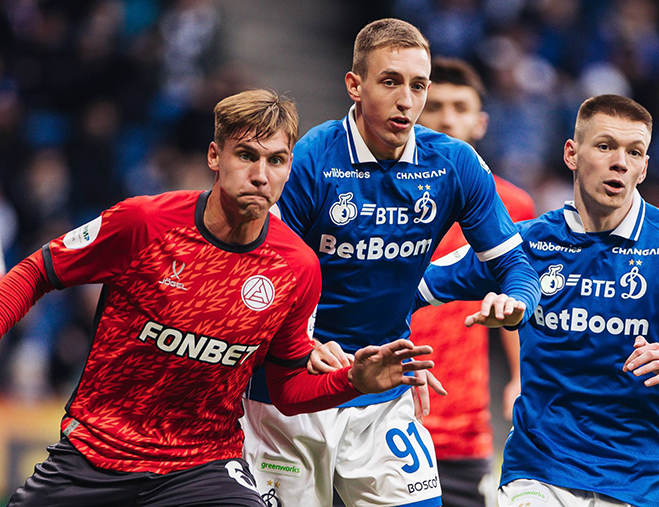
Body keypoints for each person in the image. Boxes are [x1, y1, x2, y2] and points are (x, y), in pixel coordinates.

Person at [0, 89, 435, 507]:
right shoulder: (145, 223)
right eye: (246, 155)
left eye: (276, 160)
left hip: (202, 466)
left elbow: (286, 388)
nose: (261, 175)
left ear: (289, 167)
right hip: (98, 452)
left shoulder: (297, 268)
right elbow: (37, 272)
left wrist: (353, 382)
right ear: (215, 156)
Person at [240, 19, 540, 507]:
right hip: (291, 392)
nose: (406, 100)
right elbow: (265, 275)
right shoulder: (311, 159)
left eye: (418, 86)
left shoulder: (454, 164)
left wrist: (518, 302)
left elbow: (516, 265)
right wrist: (302, 346)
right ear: (354, 85)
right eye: (390, 81)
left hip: (383, 391)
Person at [418, 94, 659, 507]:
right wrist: (366, 344)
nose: (620, 163)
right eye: (605, 146)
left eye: (634, 152)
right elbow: (411, 287)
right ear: (571, 154)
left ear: (645, 167)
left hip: (637, 482)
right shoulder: (528, 243)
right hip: (538, 471)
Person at [411, 57, 536, 507]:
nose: (447, 118)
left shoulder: (511, 204)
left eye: (460, 108)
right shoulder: (380, 194)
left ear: (480, 122)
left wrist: (521, 377)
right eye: (435, 106)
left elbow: (519, 298)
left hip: (464, 426)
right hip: (383, 403)